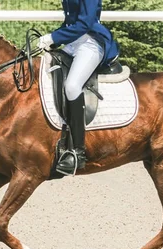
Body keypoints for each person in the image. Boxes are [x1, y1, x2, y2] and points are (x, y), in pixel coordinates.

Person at [37, 0, 119, 176]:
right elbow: (70, 20)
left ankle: (78, 152)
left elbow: (84, 23)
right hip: (73, 42)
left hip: (91, 42)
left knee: (72, 86)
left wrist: (54, 37)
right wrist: (54, 41)